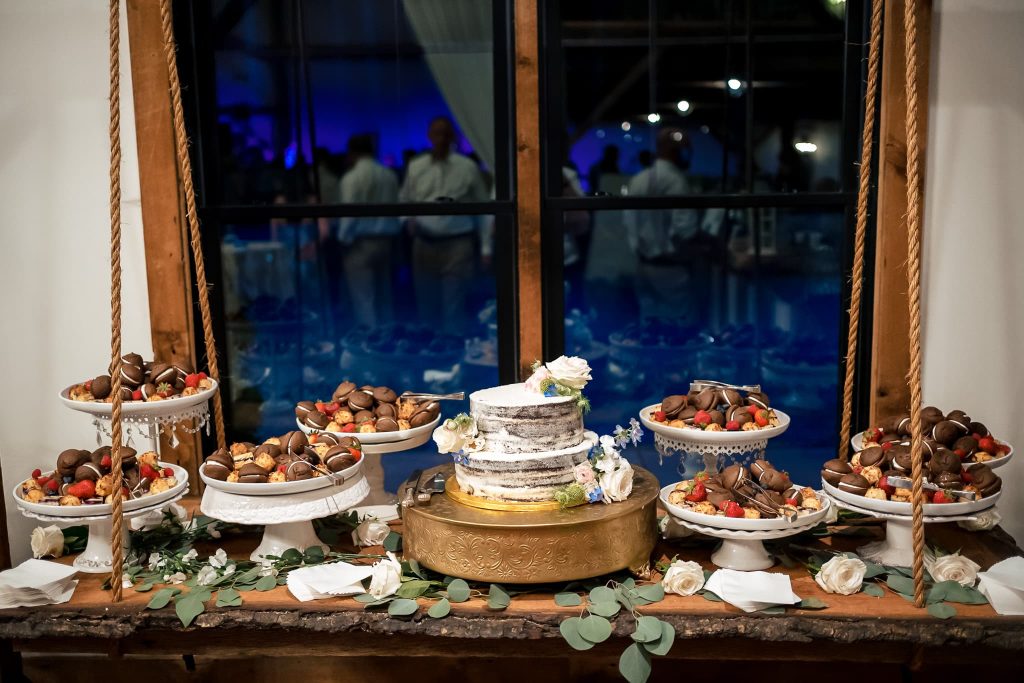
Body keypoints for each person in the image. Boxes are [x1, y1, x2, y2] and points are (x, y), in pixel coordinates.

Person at [400, 116, 488, 335]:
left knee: (453, 307)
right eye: (436, 133)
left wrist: (486, 248)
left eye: (445, 133)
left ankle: (453, 358)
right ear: (429, 136)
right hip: (424, 243)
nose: (440, 138)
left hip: (457, 244)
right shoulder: (416, 166)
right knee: (426, 306)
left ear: (452, 137)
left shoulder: (467, 167)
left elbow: (484, 208)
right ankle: (430, 356)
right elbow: (403, 200)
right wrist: (407, 221)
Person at [624, 128, 700, 322]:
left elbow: (629, 222)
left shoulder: (638, 179)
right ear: (675, 151)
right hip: (671, 270)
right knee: (677, 335)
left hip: (642, 266)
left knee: (648, 332)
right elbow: (685, 230)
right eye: (685, 149)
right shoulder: (676, 181)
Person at [338, 133, 400, 329]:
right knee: (385, 296)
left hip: (361, 243)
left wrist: (342, 239)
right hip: (386, 241)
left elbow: (349, 213)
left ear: (352, 152)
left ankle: (369, 344)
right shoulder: (389, 175)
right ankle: (389, 342)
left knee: (364, 299)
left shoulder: (352, 177)